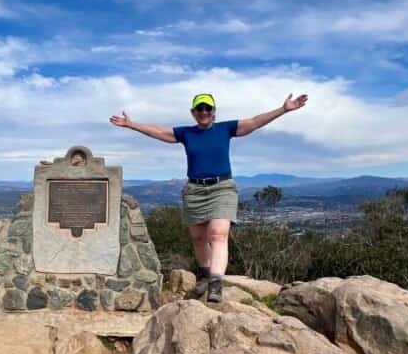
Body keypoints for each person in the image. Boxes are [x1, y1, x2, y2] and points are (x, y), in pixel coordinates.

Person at [109, 91, 308, 302]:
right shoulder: (186, 133)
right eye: (199, 109)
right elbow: (157, 131)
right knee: (198, 238)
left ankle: (216, 284)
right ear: (193, 113)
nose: (204, 112)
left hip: (222, 188)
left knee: (218, 234)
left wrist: (283, 109)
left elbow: (255, 121)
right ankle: (207, 274)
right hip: (195, 190)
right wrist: (131, 124)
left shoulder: (225, 129)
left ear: (214, 112)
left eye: (208, 108)